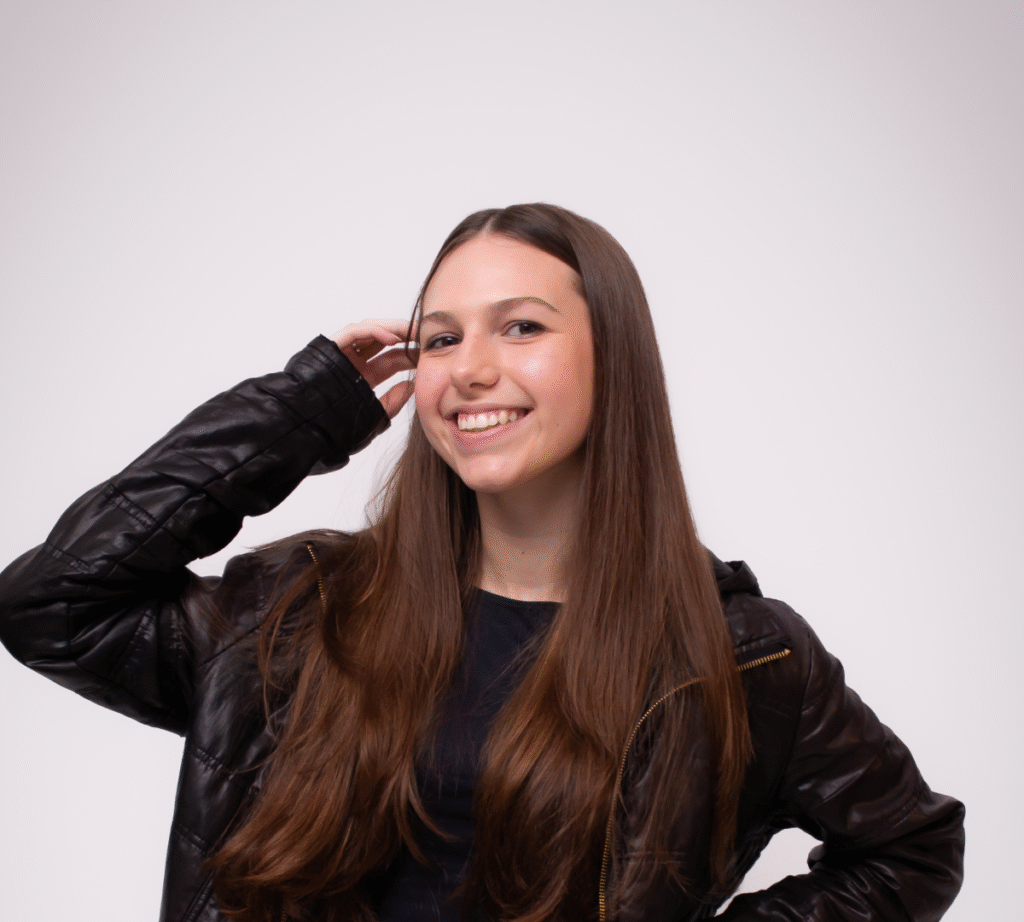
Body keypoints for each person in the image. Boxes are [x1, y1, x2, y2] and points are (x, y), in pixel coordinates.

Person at [0, 204, 964, 922]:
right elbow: (52, 604)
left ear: (614, 360)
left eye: (522, 327)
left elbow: (910, 849)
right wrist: (304, 410)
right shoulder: (302, 614)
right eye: (441, 337)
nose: (467, 368)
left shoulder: (742, 658)